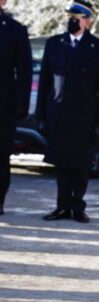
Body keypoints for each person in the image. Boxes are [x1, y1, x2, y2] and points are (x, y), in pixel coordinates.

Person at [36, 0, 99, 223]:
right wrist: (41, 115)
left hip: (84, 118)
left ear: (87, 21)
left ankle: (77, 207)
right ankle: (62, 206)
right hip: (59, 115)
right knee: (62, 164)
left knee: (80, 165)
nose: (71, 21)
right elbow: (45, 83)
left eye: (76, 18)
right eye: (69, 17)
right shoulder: (54, 44)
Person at [0, 0, 32, 215]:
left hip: (3, 105)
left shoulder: (14, 30)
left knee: (1, 156)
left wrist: (21, 105)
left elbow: (24, 71)